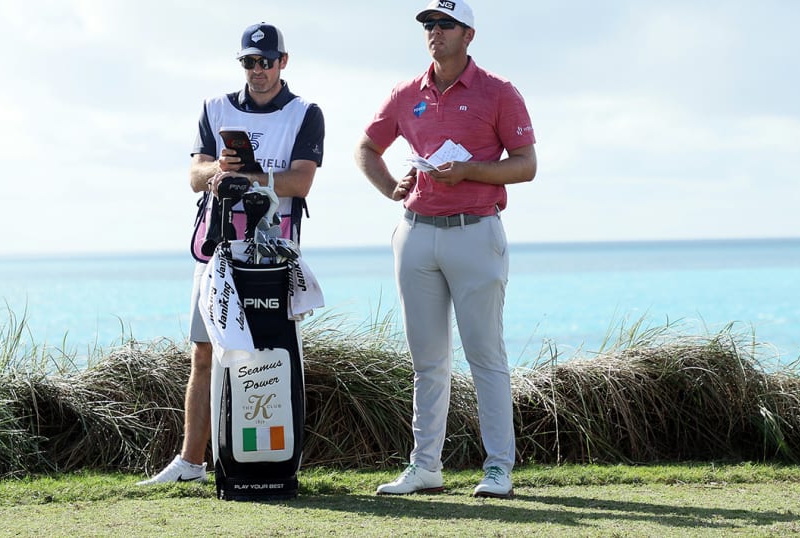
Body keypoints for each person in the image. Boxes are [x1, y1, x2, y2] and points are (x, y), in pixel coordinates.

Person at [354, 0, 537, 498]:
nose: (435, 32)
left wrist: (470, 170)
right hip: (415, 233)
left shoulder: (498, 92)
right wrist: (391, 186)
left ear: (468, 34)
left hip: (476, 231)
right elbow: (366, 149)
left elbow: (525, 165)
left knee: (485, 357)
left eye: (445, 24)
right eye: (429, 25)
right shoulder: (405, 93)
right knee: (427, 361)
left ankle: (498, 469)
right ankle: (425, 468)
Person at [138, 21, 324, 485]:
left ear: (284, 62)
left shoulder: (306, 112)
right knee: (204, 354)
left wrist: (253, 179)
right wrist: (219, 171)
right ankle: (191, 462)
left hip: (273, 253)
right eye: (249, 62)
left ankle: (272, 461)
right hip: (217, 248)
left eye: (265, 61)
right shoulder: (215, 107)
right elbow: (194, 173)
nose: (257, 70)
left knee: (273, 353)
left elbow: (300, 182)